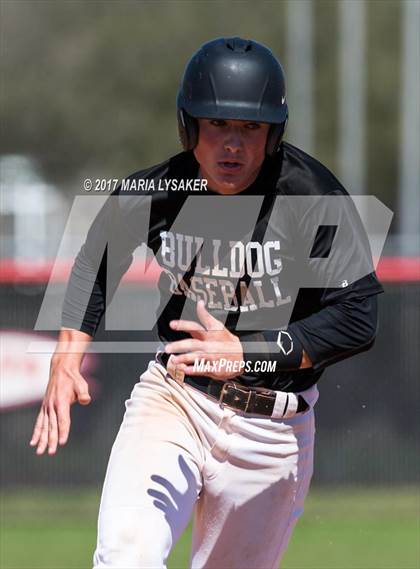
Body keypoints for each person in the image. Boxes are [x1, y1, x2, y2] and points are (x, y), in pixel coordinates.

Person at [30, 37, 383, 568]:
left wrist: (252, 352)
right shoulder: (165, 189)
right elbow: (96, 255)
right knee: (126, 553)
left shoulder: (311, 197)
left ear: (274, 133)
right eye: (216, 124)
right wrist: (66, 353)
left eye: (250, 128)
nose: (232, 145)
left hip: (273, 433)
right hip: (177, 399)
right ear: (188, 126)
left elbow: (358, 318)